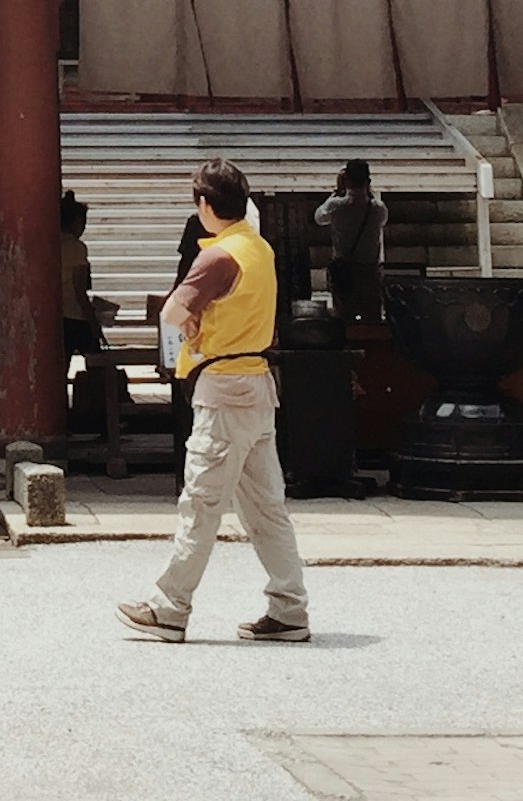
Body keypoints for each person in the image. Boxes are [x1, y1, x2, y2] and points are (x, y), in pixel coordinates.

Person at [118, 158, 310, 644]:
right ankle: (289, 608)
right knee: (268, 507)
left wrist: (191, 325)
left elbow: (172, 311)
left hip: (223, 387)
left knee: (201, 503)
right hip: (258, 385)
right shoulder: (258, 250)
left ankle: (170, 606)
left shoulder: (218, 256)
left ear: (204, 205)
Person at [59, 193, 116, 422]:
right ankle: (104, 419)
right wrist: (93, 322)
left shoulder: (48, 244)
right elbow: (79, 289)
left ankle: (62, 419)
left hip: (57, 316)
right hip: (76, 315)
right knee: (98, 368)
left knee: (59, 373)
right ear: (75, 222)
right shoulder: (77, 247)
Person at [315, 159, 387, 313]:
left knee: (343, 316)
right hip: (370, 272)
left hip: (344, 271)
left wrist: (336, 192)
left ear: (346, 180)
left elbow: (319, 217)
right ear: (368, 181)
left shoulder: (336, 206)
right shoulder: (378, 209)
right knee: (371, 316)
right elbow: (381, 220)